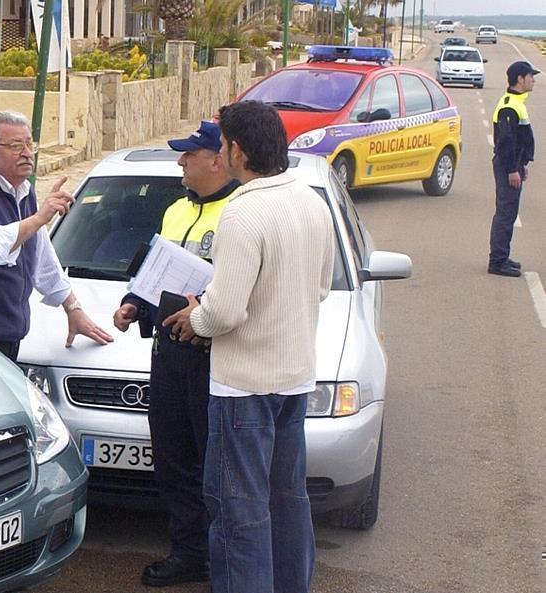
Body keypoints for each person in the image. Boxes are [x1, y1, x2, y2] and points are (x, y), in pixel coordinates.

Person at [165, 101, 335, 593]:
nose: (221, 152)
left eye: (222, 144)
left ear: (237, 150)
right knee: (287, 503)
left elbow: (223, 312)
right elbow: (320, 286)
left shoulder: (243, 211)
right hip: (295, 379)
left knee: (239, 513)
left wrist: (193, 316)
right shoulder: (311, 202)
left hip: (243, 390)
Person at [112, 121, 239, 587]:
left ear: (217, 159)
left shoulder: (239, 212)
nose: (181, 162)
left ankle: (223, 558)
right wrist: (133, 304)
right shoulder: (175, 210)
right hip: (168, 356)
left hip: (212, 357)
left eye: (189, 155)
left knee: (214, 466)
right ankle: (188, 554)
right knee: (173, 461)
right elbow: (155, 270)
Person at [0, 111, 113, 361]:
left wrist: (73, 308)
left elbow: (41, 256)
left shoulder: (23, 190)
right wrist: (38, 218)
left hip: (6, 334)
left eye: (29, 144)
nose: (26, 153)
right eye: (15, 146)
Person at [488, 61, 539, 277]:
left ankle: (502, 256)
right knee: (506, 213)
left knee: (508, 212)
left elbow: (518, 140)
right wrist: (512, 169)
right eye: (530, 76)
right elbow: (506, 141)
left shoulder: (517, 101)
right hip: (508, 165)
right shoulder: (510, 105)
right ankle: (497, 262)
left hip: (515, 163)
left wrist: (523, 164)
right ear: (520, 78)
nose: (533, 80)